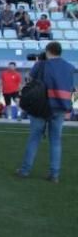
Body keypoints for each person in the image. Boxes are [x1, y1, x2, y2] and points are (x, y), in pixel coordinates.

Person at [16, 42, 75, 183]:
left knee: (34, 138)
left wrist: (38, 64)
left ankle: (25, 170)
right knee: (56, 141)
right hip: (60, 106)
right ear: (60, 52)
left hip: (40, 106)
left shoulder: (41, 65)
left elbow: (30, 82)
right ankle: (54, 174)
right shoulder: (69, 67)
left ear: (48, 51)